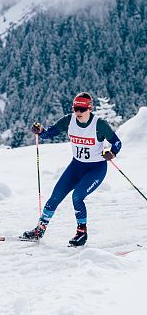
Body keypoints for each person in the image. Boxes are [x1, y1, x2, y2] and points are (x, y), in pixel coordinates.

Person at [22, 92, 122, 246]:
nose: (78, 112)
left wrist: (112, 153)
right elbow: (49, 134)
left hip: (96, 169)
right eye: (76, 108)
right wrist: (40, 131)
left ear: (90, 108)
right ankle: (39, 230)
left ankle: (82, 233)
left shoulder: (99, 125)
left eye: (82, 109)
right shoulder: (69, 120)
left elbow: (117, 143)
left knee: (77, 196)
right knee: (55, 196)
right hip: (76, 167)